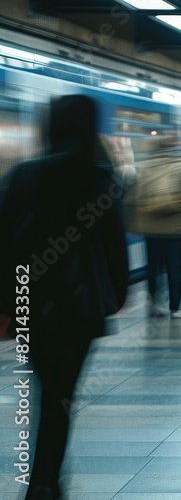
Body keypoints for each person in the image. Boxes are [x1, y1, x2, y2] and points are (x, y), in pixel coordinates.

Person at [0, 95, 128, 499]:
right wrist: (115, 296)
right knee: (60, 395)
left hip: (29, 303)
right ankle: (45, 481)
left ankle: (42, 480)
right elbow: (114, 251)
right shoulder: (99, 177)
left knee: (46, 389)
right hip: (79, 309)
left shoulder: (22, 175)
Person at [127, 135, 181, 319]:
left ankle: (154, 304)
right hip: (176, 228)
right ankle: (176, 308)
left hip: (151, 228)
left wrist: (136, 224)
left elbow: (135, 198)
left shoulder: (144, 167)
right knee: (175, 268)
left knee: (153, 268)